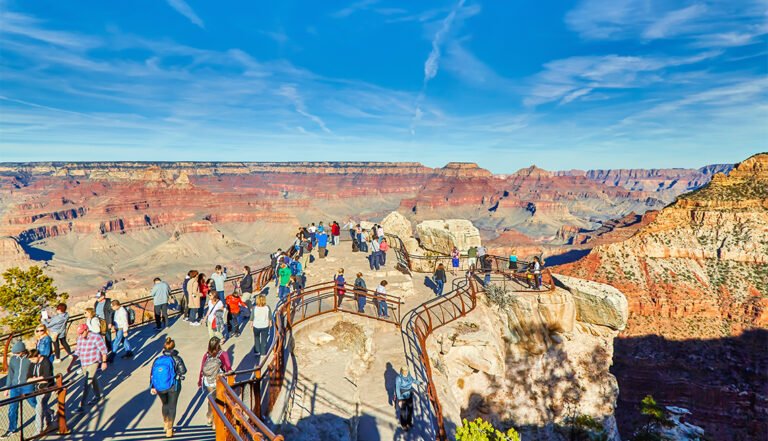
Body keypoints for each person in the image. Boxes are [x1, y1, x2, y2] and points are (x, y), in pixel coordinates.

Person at [150, 337, 187, 438]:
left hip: (160, 387)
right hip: (173, 386)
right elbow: (183, 371)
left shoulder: (158, 360)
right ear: (173, 347)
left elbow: (152, 374)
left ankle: (165, 423)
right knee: (172, 406)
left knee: (164, 404)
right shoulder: (177, 358)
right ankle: (170, 430)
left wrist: (152, 386)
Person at [73, 323, 108, 413]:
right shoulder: (80, 338)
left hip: (93, 362)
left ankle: (81, 406)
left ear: (86, 330)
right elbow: (77, 352)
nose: (80, 335)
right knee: (93, 380)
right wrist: (71, 365)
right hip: (84, 363)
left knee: (87, 383)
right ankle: (98, 396)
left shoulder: (96, 337)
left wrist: (104, 362)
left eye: (82, 333)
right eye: (79, 333)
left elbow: (103, 350)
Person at [198, 337, 232, 427]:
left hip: (208, 380)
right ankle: (215, 422)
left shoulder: (206, 355)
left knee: (211, 398)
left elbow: (202, 368)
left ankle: (209, 416)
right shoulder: (223, 354)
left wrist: (199, 380)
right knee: (219, 400)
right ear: (218, 345)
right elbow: (228, 367)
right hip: (219, 380)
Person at [2, 342, 32, 438]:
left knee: (34, 404)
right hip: (14, 387)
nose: (15, 355)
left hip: (27, 386)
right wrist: (7, 387)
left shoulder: (29, 359)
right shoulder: (13, 359)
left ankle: (49, 413)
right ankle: (12, 429)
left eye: (17, 353)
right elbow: (10, 374)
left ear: (22, 352)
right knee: (12, 409)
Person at [26, 349, 54, 436]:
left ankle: (39, 430)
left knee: (39, 408)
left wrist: (35, 379)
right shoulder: (32, 364)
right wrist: (39, 379)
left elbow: (46, 379)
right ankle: (50, 418)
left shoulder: (46, 363)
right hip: (37, 388)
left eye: (33, 359)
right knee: (43, 405)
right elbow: (28, 378)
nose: (32, 361)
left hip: (46, 388)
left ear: (38, 356)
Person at [395, 366, 425, 430]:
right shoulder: (398, 378)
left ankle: (409, 422)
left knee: (410, 410)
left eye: (406, 371)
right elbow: (397, 389)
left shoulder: (409, 376)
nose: (405, 372)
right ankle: (404, 424)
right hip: (402, 396)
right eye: (404, 371)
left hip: (409, 395)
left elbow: (413, 380)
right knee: (403, 412)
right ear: (401, 371)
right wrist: (399, 399)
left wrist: (421, 383)